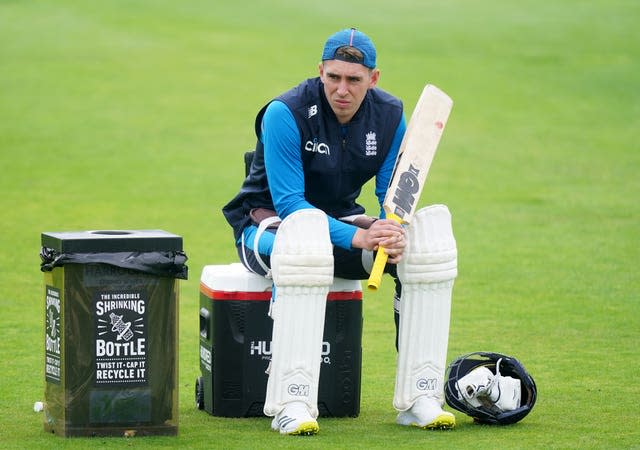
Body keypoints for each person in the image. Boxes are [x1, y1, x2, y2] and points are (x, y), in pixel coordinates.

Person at [222, 28, 458, 436]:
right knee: (304, 249)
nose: (342, 90)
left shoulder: (388, 116)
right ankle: (291, 403)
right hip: (267, 224)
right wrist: (359, 238)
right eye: (333, 78)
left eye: (354, 80)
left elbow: (391, 196)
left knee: (423, 247)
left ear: (374, 78)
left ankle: (421, 396)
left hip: (340, 222)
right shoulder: (286, 112)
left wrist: (392, 232)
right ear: (320, 72)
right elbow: (291, 203)